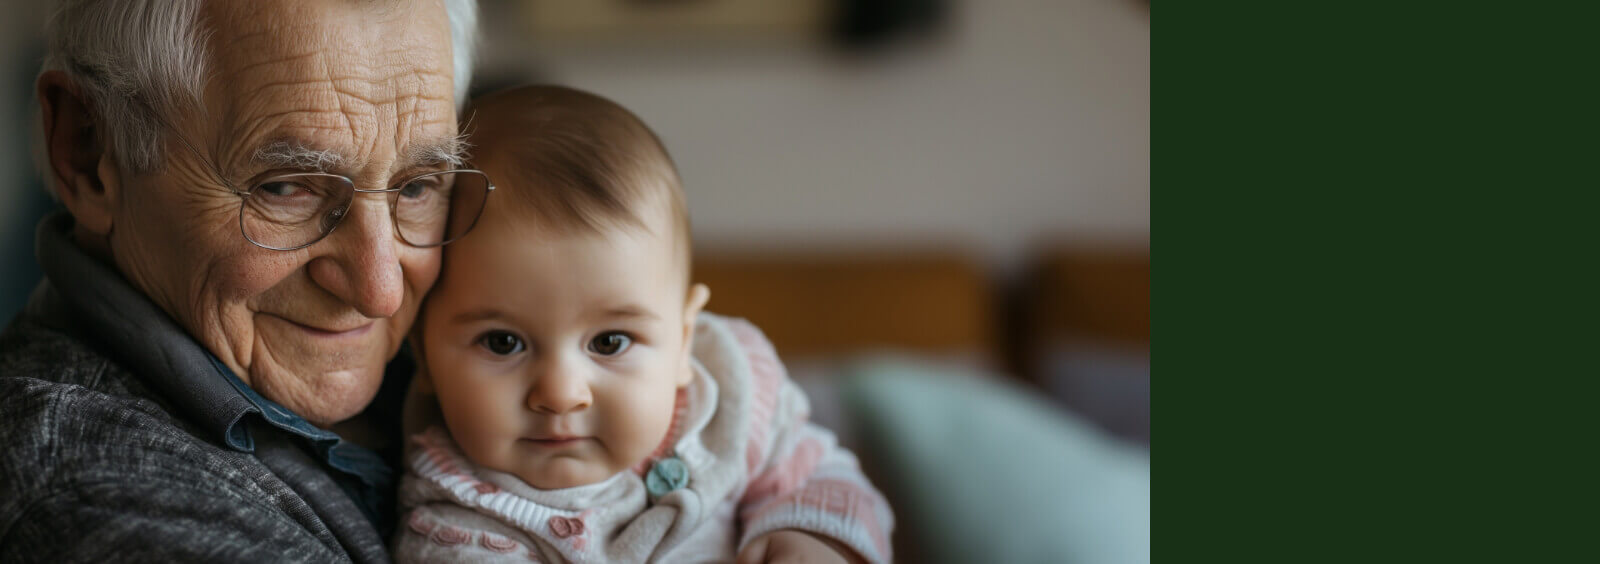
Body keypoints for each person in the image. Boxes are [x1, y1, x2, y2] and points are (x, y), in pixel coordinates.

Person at [0, 0, 483, 561]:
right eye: (285, 188)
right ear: (88, 151)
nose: (380, 291)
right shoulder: (103, 503)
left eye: (418, 186)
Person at [393, 85, 894, 563]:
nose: (562, 394)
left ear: (682, 342)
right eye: (503, 342)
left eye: (610, 342)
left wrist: (808, 533)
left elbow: (820, 475)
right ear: (427, 355)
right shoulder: (459, 527)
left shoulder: (728, 401)